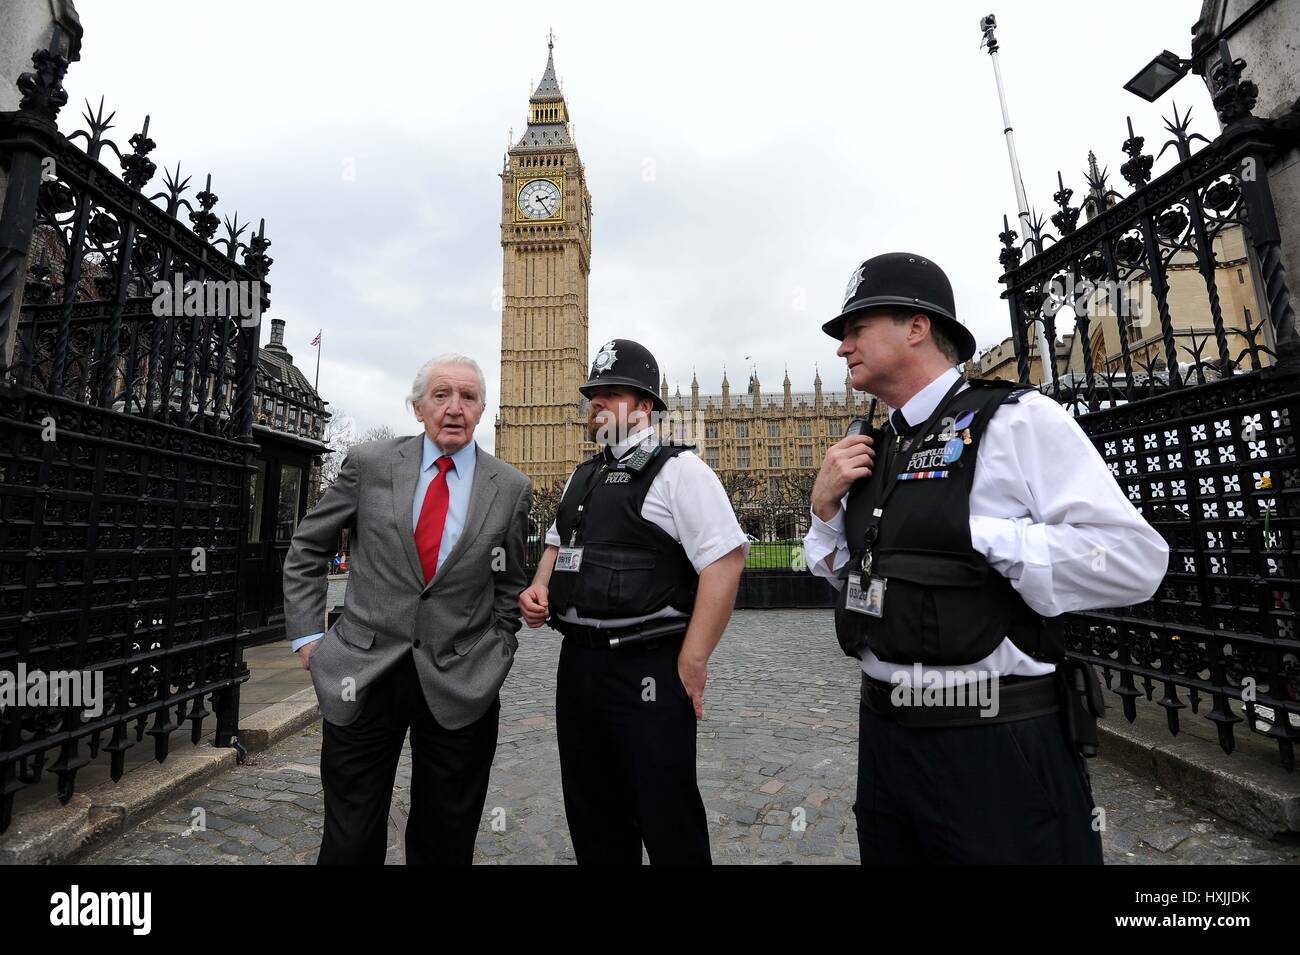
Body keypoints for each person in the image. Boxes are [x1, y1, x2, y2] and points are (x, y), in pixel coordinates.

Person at [804, 252, 1169, 864]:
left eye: (856, 328)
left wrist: (982, 537)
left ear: (917, 327)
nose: (843, 347)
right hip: (887, 740)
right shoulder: (869, 446)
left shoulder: (1017, 420)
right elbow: (852, 575)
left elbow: (1135, 559)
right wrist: (823, 512)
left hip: (993, 740)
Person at [282, 353, 532, 864]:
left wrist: (498, 649)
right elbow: (308, 546)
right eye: (441, 395)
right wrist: (309, 639)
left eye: (467, 397)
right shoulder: (370, 465)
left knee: (446, 837)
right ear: (418, 407)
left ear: (482, 410)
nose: (454, 408)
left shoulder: (509, 488)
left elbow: (510, 584)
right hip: (363, 671)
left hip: (460, 678)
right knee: (350, 836)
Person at [519, 338, 747, 864]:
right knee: (593, 813)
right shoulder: (584, 474)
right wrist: (538, 588)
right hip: (578, 666)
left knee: (665, 814)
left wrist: (693, 658)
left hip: (646, 664)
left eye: (612, 395)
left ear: (645, 406)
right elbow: (558, 542)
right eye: (594, 396)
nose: (597, 405)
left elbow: (725, 561)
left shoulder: (679, 471)